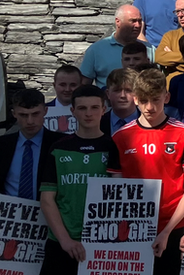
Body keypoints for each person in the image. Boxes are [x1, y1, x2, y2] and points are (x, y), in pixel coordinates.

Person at [108, 69, 184, 274]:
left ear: (166, 97)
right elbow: (117, 189)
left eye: (156, 100)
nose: (150, 107)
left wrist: (167, 231)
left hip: (174, 226)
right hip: (132, 229)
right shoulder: (120, 137)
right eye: (143, 100)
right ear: (134, 99)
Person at [38, 85, 116, 275]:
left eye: (94, 107)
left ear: (104, 110)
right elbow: (47, 199)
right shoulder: (58, 147)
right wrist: (65, 240)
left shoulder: (114, 147)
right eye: (82, 108)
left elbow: (117, 197)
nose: (88, 113)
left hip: (102, 243)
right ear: (72, 111)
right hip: (62, 242)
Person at [0, 88, 64, 200]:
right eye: (23, 115)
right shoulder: (0, 145)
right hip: (7, 211)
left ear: (45, 111)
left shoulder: (60, 144)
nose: (30, 121)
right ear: (14, 114)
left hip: (47, 210)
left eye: (35, 114)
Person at [80, 4, 144, 87]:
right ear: (118, 22)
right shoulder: (96, 50)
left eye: (140, 21)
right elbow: (84, 85)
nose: (138, 25)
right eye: (133, 21)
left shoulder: (149, 49)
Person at [102, 68, 140, 135]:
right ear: (108, 94)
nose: (123, 95)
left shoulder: (150, 123)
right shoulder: (98, 123)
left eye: (128, 90)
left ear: (138, 93)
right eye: (117, 90)